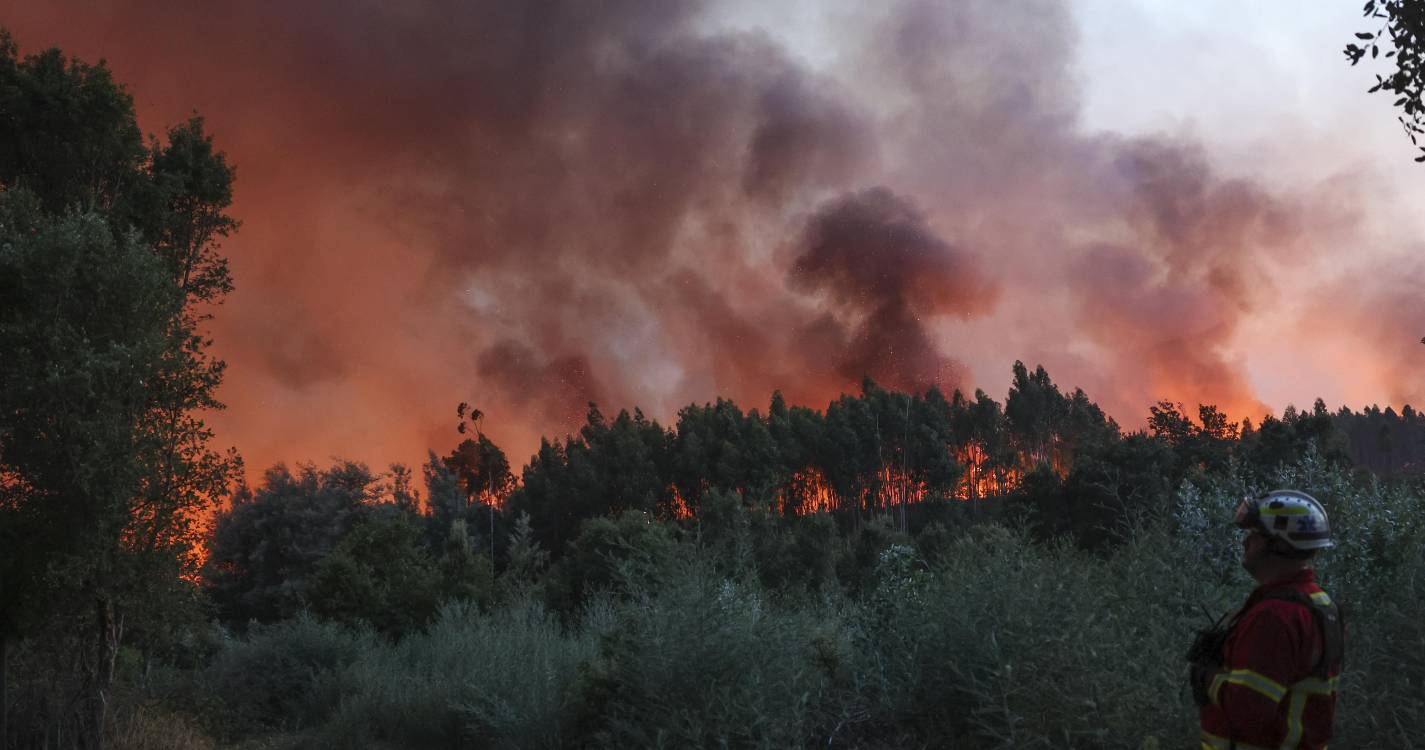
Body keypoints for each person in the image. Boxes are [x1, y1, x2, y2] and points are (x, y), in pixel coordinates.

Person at [1193, 490, 1344, 750]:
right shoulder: (1319, 603)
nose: (1245, 542)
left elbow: (1249, 712)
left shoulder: (1276, 616)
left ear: (1277, 544)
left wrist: (1207, 676)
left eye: (1254, 534)